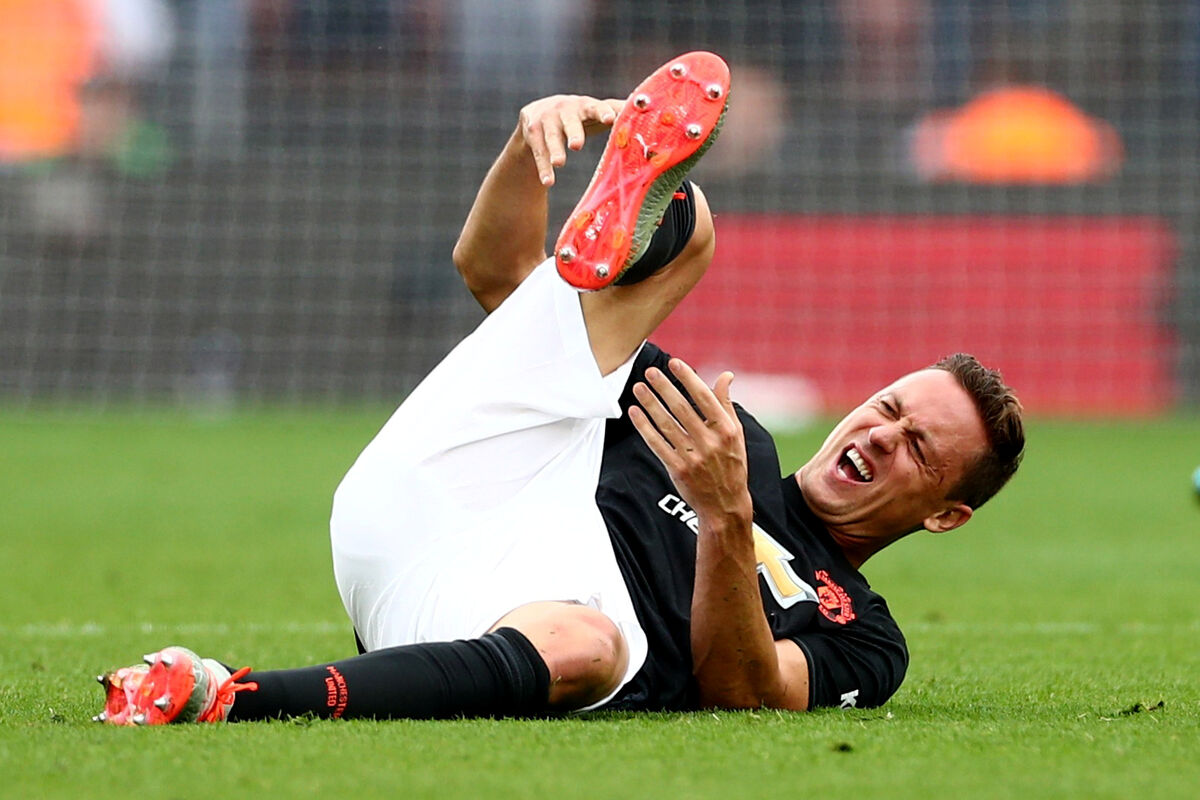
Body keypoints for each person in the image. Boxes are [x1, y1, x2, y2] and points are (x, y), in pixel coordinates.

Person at [94, 51, 1024, 725]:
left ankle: (225, 695)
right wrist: (525, 148)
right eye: (890, 408)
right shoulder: (720, 427)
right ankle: (640, 216)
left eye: (919, 449)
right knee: (694, 236)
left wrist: (726, 515)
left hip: (503, 630)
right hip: (443, 496)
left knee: (589, 643)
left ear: (945, 514)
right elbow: (495, 279)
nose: (882, 434)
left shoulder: (865, 637)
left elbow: (742, 690)